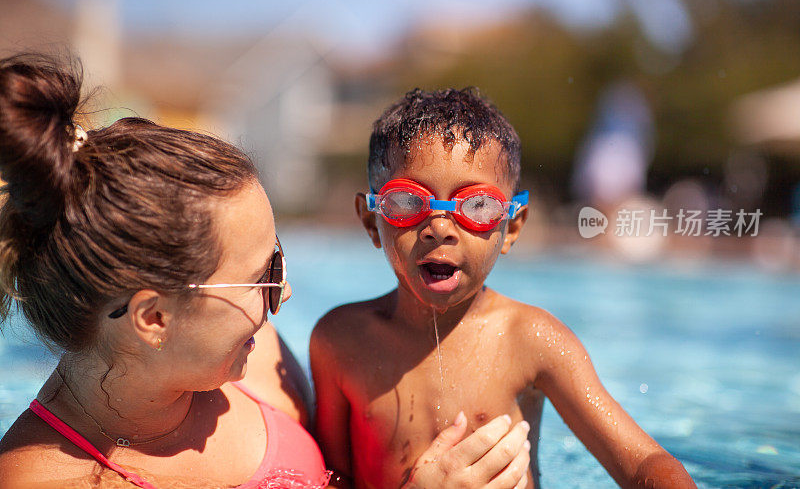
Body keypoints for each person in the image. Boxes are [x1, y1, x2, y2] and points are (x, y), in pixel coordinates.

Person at [0, 55, 530, 489]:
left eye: (276, 263)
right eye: (263, 278)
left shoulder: (256, 362)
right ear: (155, 317)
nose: (284, 292)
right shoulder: (49, 479)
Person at [310, 88, 697, 488]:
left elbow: (645, 463)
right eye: (408, 202)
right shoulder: (340, 341)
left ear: (511, 226)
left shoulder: (531, 340)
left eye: (477, 206)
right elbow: (331, 480)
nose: (440, 228)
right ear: (372, 221)